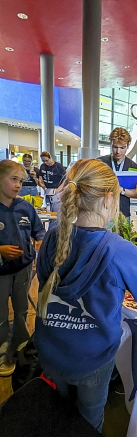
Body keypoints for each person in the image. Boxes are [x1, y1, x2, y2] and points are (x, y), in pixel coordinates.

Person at [34, 159, 137, 432]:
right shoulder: (119, 250)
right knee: (90, 418)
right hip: (92, 360)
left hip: (49, 350)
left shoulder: (52, 237)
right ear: (109, 199)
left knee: (57, 412)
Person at [0, 160, 45, 376]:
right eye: (13, 179)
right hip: (1, 273)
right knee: (0, 313)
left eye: (21, 181)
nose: (18, 185)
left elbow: (39, 231)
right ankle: (3, 352)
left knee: (21, 310)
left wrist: (40, 243)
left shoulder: (26, 207)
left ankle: (21, 347)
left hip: (23, 269)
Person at [98, 127, 137, 221]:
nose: (118, 151)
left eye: (122, 148)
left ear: (128, 145)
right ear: (111, 144)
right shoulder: (100, 163)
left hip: (124, 213)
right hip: (102, 212)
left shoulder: (133, 166)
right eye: (115, 147)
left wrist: (121, 190)